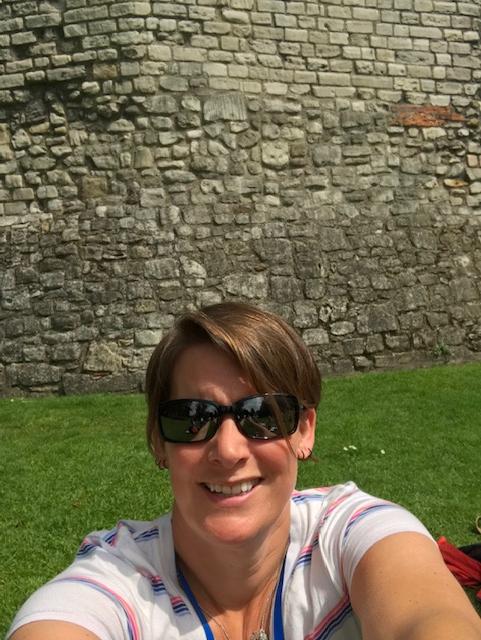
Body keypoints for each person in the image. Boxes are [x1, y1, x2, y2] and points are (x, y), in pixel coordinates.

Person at [8, 302, 481, 640]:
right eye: (192, 418)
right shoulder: (118, 578)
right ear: (158, 440)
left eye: (262, 415)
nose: (229, 449)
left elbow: (429, 616)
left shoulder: (350, 533)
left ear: (305, 431)